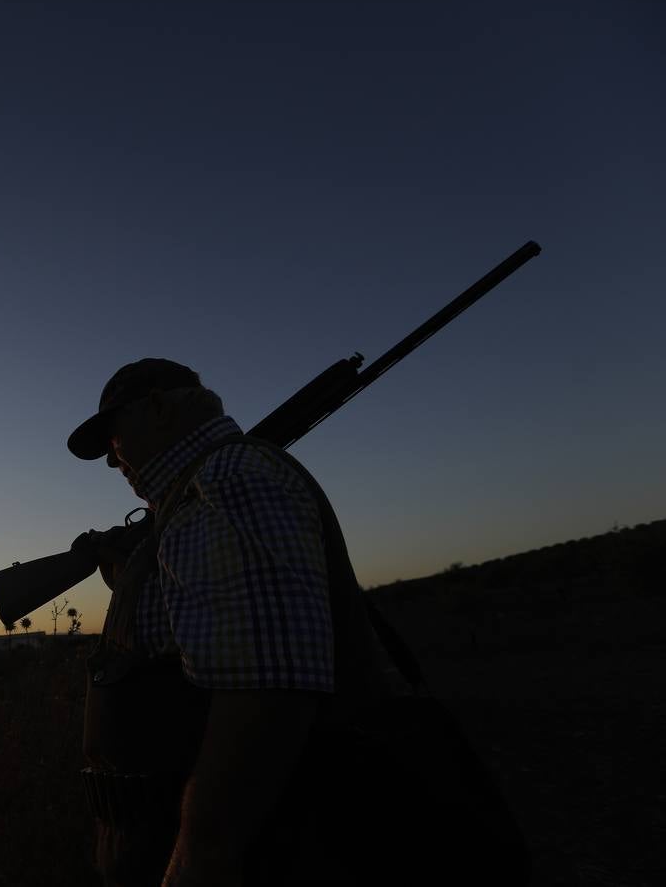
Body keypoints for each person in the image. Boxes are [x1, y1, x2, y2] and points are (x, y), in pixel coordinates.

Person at [69, 358, 425, 887]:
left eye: (114, 436)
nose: (112, 460)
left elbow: (267, 701)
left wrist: (197, 860)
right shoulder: (193, 500)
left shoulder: (229, 481)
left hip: (261, 853)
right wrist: (129, 574)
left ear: (161, 408)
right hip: (166, 836)